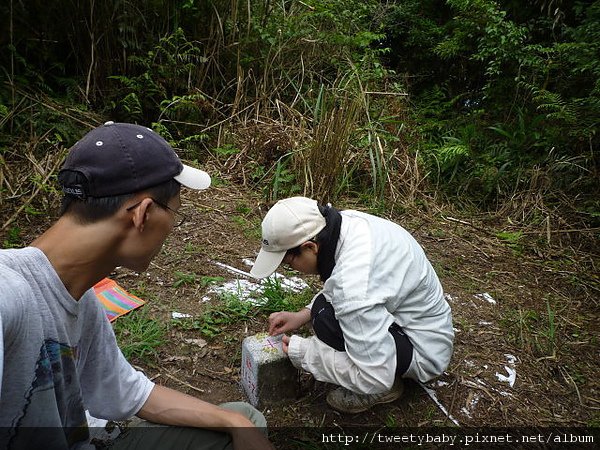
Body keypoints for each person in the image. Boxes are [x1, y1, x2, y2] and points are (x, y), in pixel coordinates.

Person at [0, 122, 274, 450]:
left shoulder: (81, 300)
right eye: (175, 212)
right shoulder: (9, 293)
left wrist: (234, 422)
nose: (172, 228)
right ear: (142, 214)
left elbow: (129, 394)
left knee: (245, 419)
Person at [250, 196, 454, 414]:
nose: (292, 269)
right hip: (422, 325)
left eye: (289, 263)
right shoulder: (344, 224)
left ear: (310, 247)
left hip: (422, 352)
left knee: (326, 321)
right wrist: (302, 315)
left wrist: (305, 353)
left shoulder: (354, 289)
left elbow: (375, 377)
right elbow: (342, 283)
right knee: (320, 309)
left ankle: (387, 391)